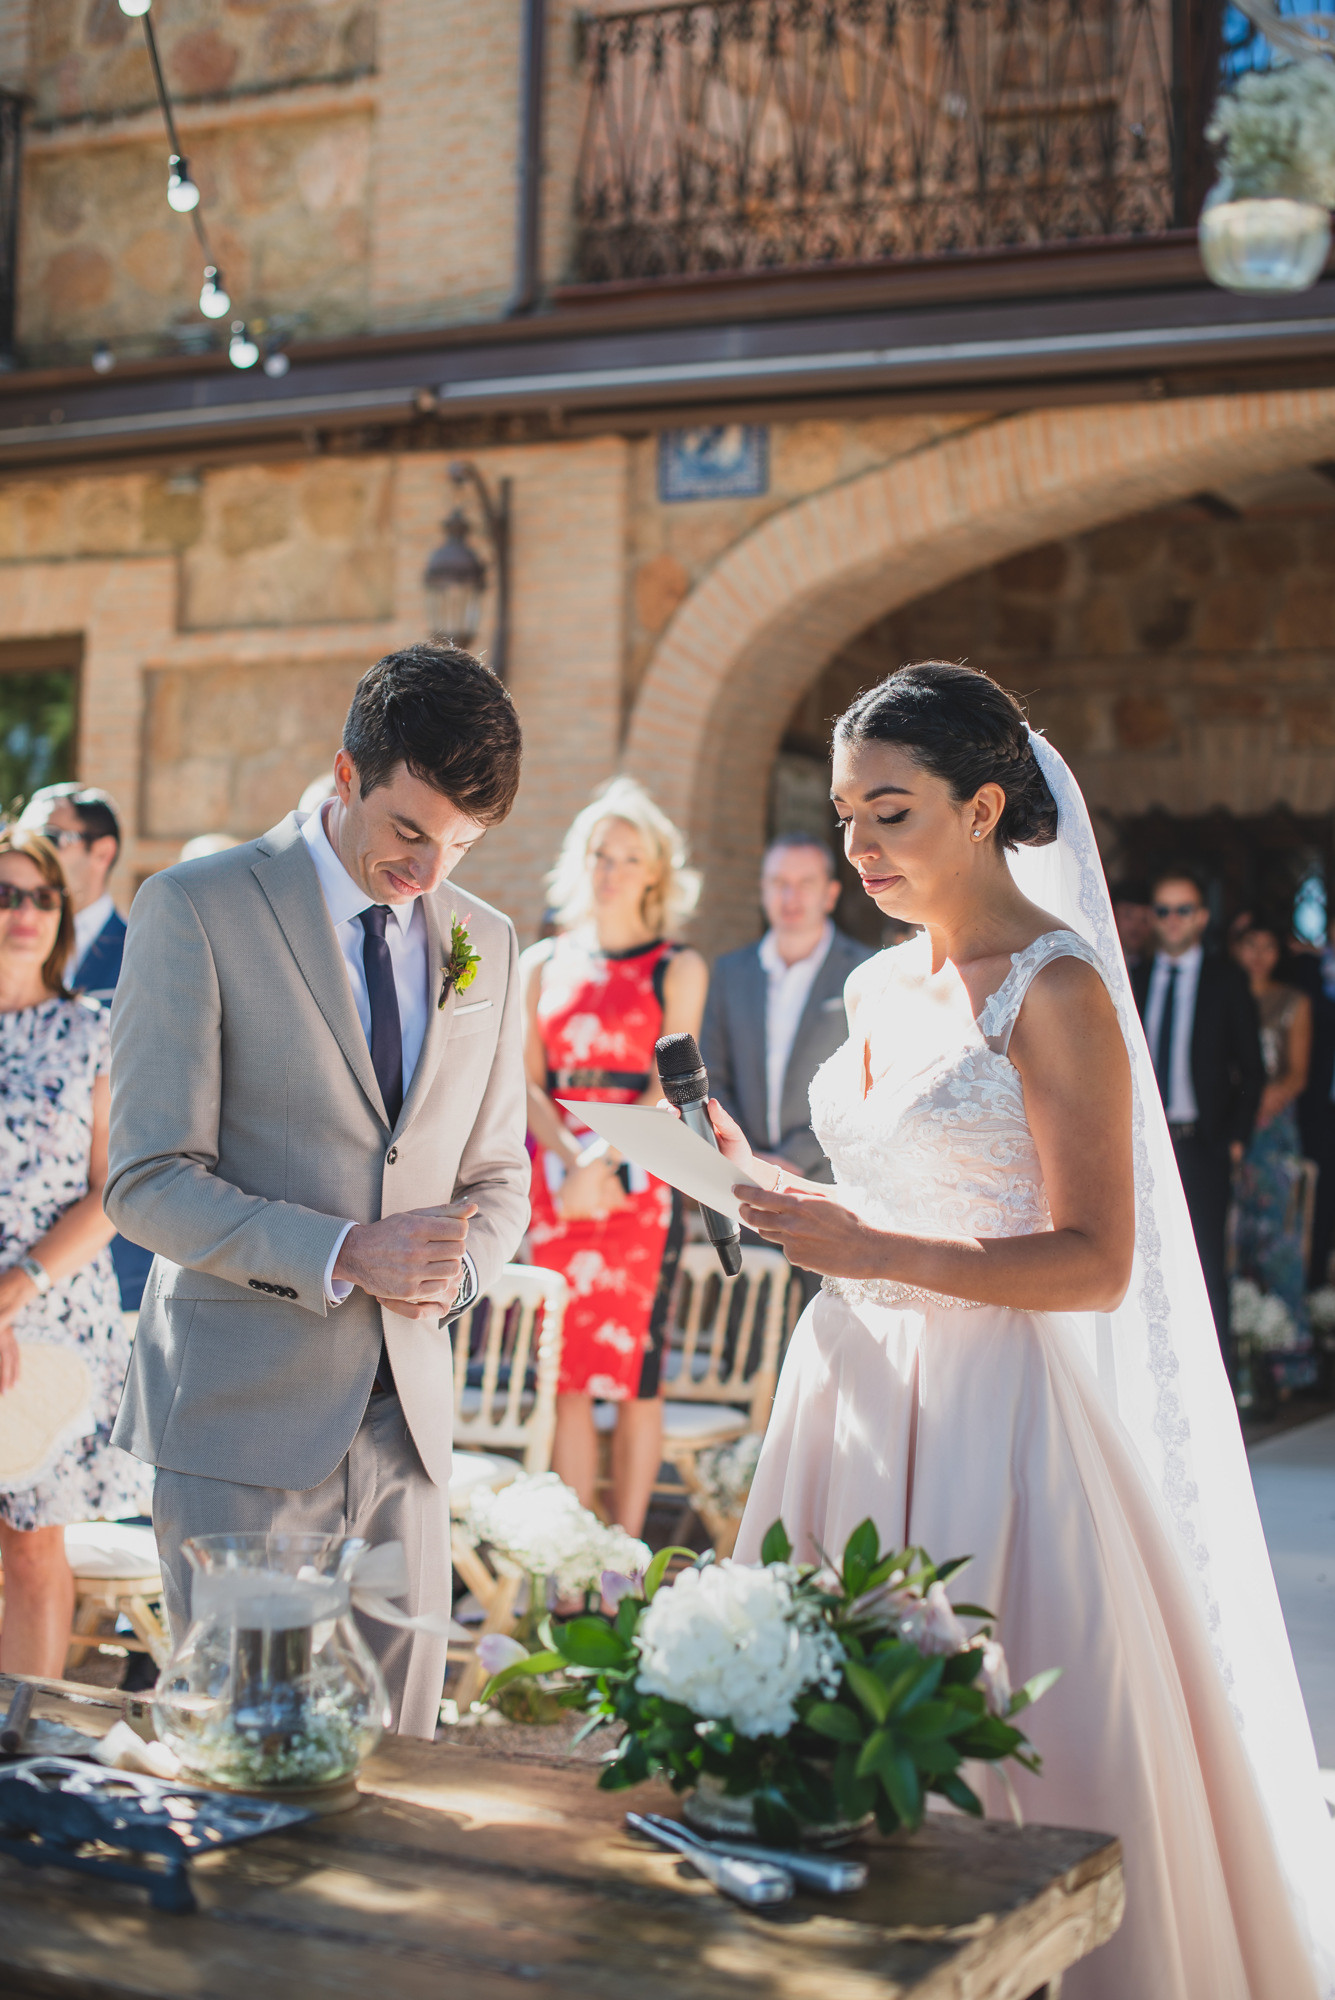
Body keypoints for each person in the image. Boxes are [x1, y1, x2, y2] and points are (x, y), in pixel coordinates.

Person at [693, 663, 1331, 1998]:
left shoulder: (1056, 987)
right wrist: (782, 1192)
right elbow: (892, 1189)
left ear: (983, 807)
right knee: (818, 1742)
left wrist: (877, 1250)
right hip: (848, 1389)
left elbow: (1097, 1260)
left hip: (996, 1414)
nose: (859, 849)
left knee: (996, 1749)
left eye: (891, 814)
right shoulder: (878, 986)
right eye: (846, 818)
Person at [106, 644, 531, 1737]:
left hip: (409, 1432)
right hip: (241, 1428)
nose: (430, 869)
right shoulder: (195, 906)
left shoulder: (487, 942)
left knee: (403, 1761)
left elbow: (498, 1175)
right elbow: (146, 1181)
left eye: (462, 844)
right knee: (247, 1750)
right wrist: (343, 1252)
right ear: (347, 773)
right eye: (410, 831)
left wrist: (454, 1274)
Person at [521, 778, 707, 1536]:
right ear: (581, 860)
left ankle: (625, 1562)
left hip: (639, 1190)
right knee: (565, 1375)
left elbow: (674, 1085)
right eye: (601, 853)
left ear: (655, 872)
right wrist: (570, 1162)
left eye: (630, 857)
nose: (612, 870)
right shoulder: (541, 963)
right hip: (557, 1183)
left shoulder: (678, 966)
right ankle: (577, 1560)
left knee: (636, 1376)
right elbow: (526, 1082)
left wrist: (600, 1160)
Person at [0, 827, 152, 1677]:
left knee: (30, 1547)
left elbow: (114, 1191)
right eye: (6, 894)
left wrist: (12, 1294)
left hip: (53, 1313)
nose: (25, 912)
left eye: (43, 897)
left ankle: (17, 1738)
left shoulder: (92, 1031)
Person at [17, 784, 153, 1317]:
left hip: (111, 1264)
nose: (36, 848)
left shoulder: (147, 955)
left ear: (103, 852)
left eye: (52, 836)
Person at [1131, 871, 1263, 1362]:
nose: (1172, 920)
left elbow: (1253, 1068)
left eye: (1183, 910)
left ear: (1202, 917)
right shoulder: (1134, 977)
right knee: (1143, 1265)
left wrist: (1235, 1139)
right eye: (1163, 910)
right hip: (1142, 1145)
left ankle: (1218, 1381)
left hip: (1201, 1144)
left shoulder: (1225, 980)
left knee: (1206, 1266)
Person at [701, 832, 874, 1186]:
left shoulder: (867, 972)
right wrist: (748, 1157)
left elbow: (869, 1085)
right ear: (762, 891)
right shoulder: (729, 972)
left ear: (830, 894)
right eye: (778, 883)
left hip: (829, 1183)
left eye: (805, 884)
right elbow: (712, 1073)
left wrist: (792, 1161)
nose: (790, 897)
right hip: (741, 1178)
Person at [1230, 921, 1316, 1385]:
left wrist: (1258, 1106)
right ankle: (1237, 1357)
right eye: (1250, 945)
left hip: (1273, 1130)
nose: (1258, 955)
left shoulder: (1292, 1001)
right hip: (1230, 1129)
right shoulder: (1224, 995)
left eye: (1268, 947)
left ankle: (1287, 1362)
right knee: (1232, 1237)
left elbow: (1297, 1074)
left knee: (1280, 1238)